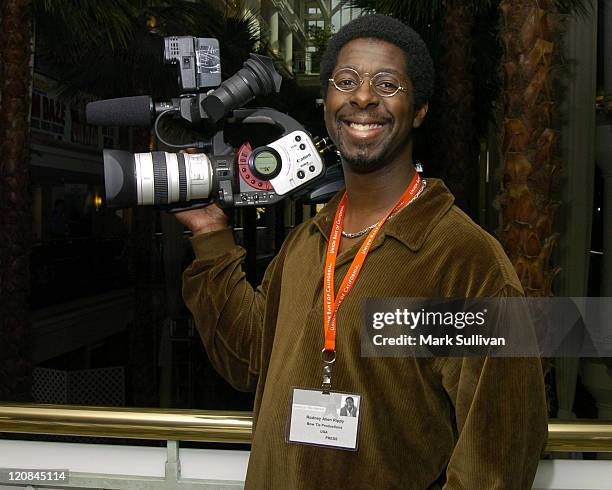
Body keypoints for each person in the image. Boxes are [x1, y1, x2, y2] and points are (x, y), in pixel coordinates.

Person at [178, 14, 548, 489]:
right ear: (328, 101)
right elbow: (248, 360)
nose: (363, 97)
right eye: (346, 81)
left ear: (419, 110)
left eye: (388, 83)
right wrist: (210, 233)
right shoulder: (307, 243)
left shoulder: (465, 261)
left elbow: (498, 455)